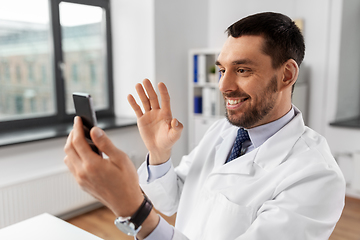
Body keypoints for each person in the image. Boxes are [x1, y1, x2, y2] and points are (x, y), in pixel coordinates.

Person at [64, 12, 345, 240]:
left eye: (242, 70)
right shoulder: (224, 132)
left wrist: (134, 211)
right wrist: (159, 154)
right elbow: (171, 200)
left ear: (287, 74)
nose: (223, 85)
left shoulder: (316, 176)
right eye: (222, 70)